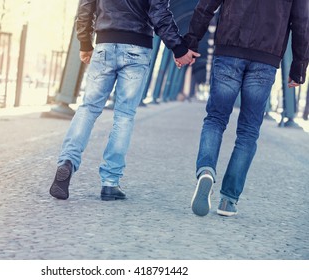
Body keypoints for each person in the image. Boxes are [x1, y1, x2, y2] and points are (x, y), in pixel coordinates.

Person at [50, 0, 200, 201]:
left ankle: (67, 161)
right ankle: (110, 183)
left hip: (104, 43)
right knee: (124, 116)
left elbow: (86, 6)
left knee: (88, 108)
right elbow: (159, 13)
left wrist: (85, 42)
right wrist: (179, 49)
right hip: (137, 48)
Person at [182, 0, 309, 216]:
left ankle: (206, 170)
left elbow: (206, 6)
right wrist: (298, 67)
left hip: (229, 51)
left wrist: (192, 41)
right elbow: (302, 23)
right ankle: (228, 200)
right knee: (248, 132)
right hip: (265, 58)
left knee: (215, 119)